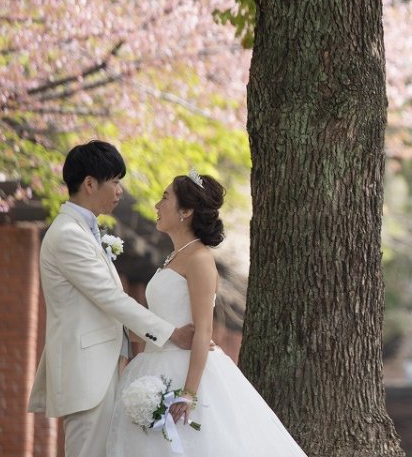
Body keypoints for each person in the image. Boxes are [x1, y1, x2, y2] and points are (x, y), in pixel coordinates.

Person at [108, 171, 309, 457]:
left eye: (165, 198)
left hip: (184, 370)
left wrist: (189, 393)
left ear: (186, 211)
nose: (156, 204)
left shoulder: (200, 259)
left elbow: (204, 330)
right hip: (152, 364)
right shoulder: (173, 258)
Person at [29, 140, 197, 457]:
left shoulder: (85, 230)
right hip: (86, 372)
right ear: (90, 184)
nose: (120, 190)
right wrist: (171, 333)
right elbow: (111, 299)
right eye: (115, 182)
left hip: (104, 368)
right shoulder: (68, 235)